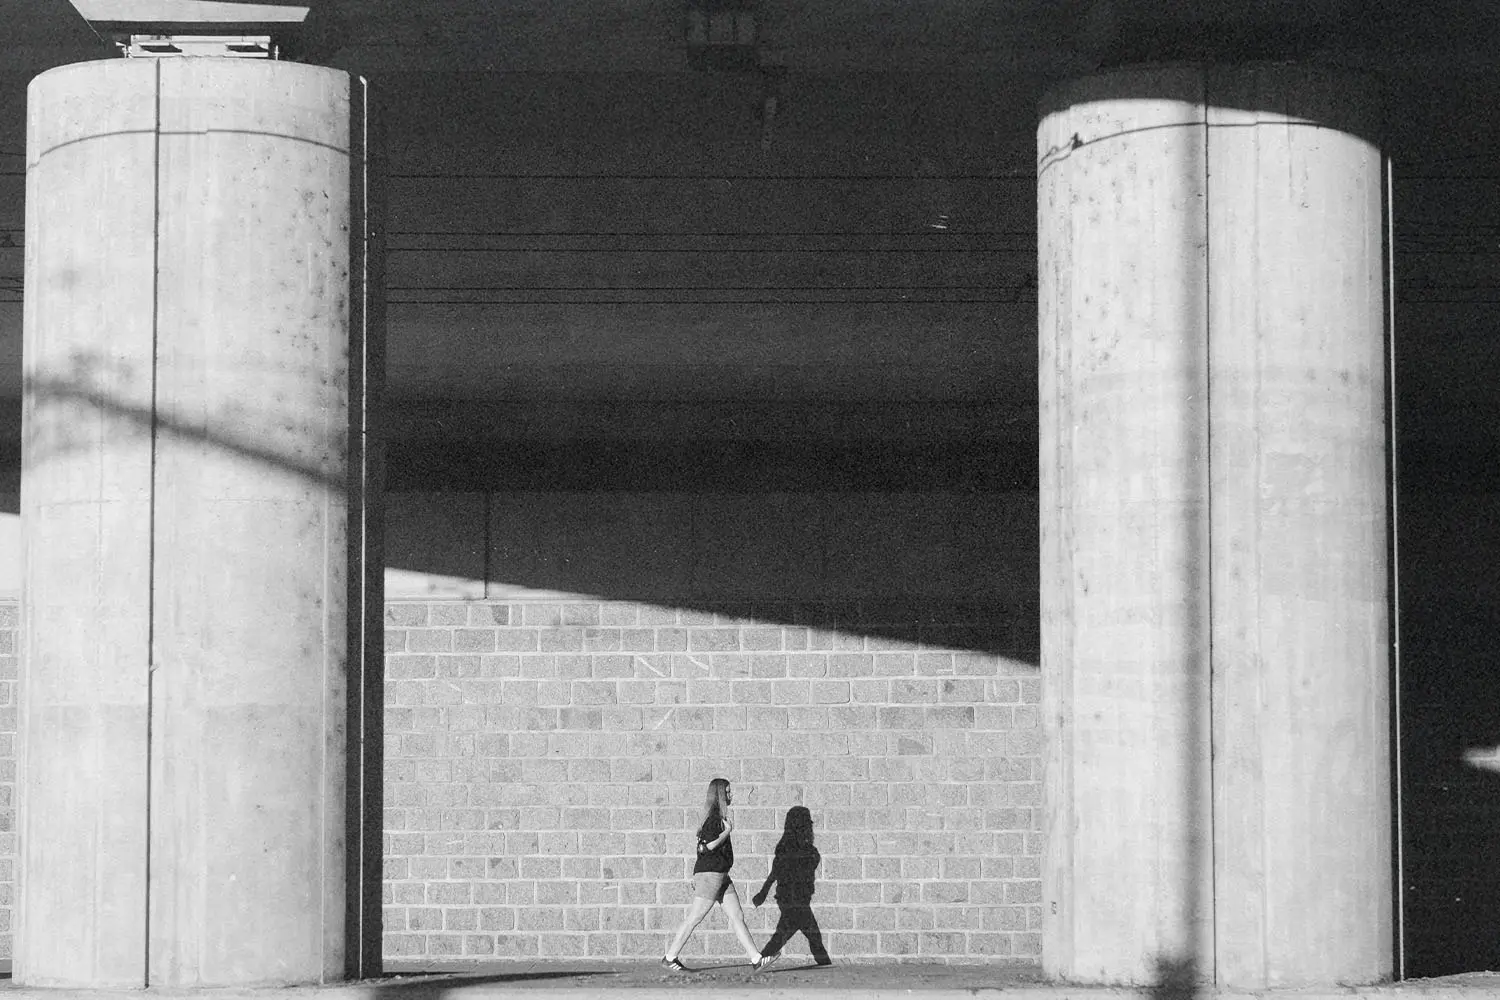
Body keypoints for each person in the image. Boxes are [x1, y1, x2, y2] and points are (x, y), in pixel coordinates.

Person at [661, 777, 780, 972]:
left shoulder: (716, 817)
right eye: (728, 792)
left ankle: (756, 959)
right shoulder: (714, 819)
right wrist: (727, 832)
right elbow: (707, 846)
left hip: (721, 875)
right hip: (711, 875)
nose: (731, 795)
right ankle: (670, 957)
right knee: (694, 918)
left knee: (737, 915)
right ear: (720, 795)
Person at [752, 805, 831, 964]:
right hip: (792, 899)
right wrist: (763, 892)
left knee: (803, 935)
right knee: (793, 935)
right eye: (806, 824)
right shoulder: (787, 847)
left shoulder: (804, 848)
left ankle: (760, 961)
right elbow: (775, 871)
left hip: (798, 899)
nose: (809, 828)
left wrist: (763, 892)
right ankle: (759, 961)